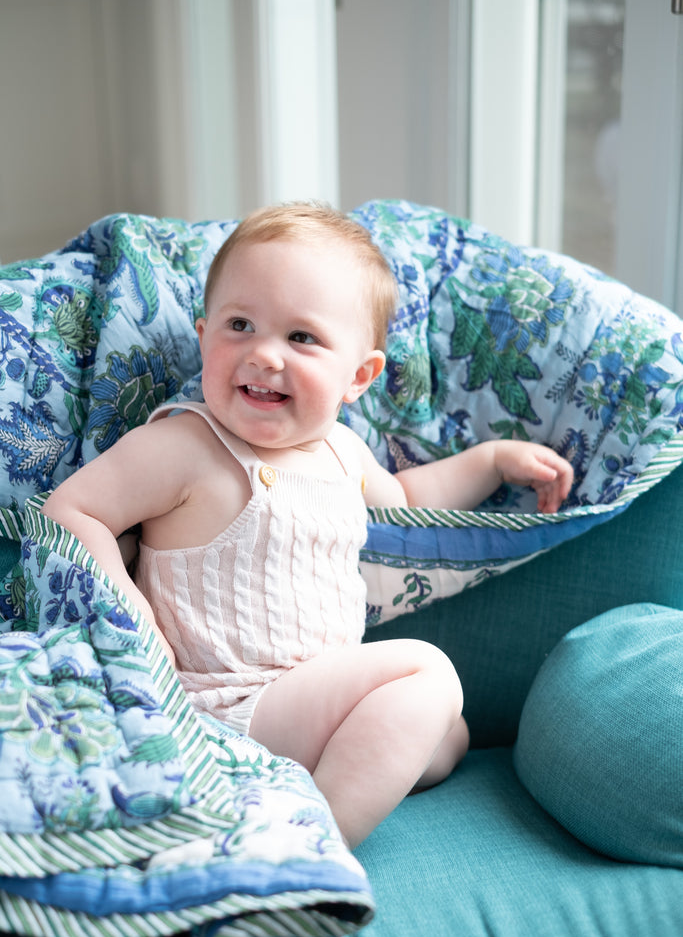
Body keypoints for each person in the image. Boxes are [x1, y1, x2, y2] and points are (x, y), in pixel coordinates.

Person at [42, 202, 573, 848]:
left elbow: (405, 498)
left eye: (301, 338)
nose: (264, 355)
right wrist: (134, 620)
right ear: (205, 337)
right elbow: (74, 510)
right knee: (425, 673)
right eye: (240, 325)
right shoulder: (187, 446)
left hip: (310, 708)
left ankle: (280, 799)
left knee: (446, 734)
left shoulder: (341, 453)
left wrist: (490, 462)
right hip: (225, 705)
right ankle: (306, 844)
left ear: (358, 376)